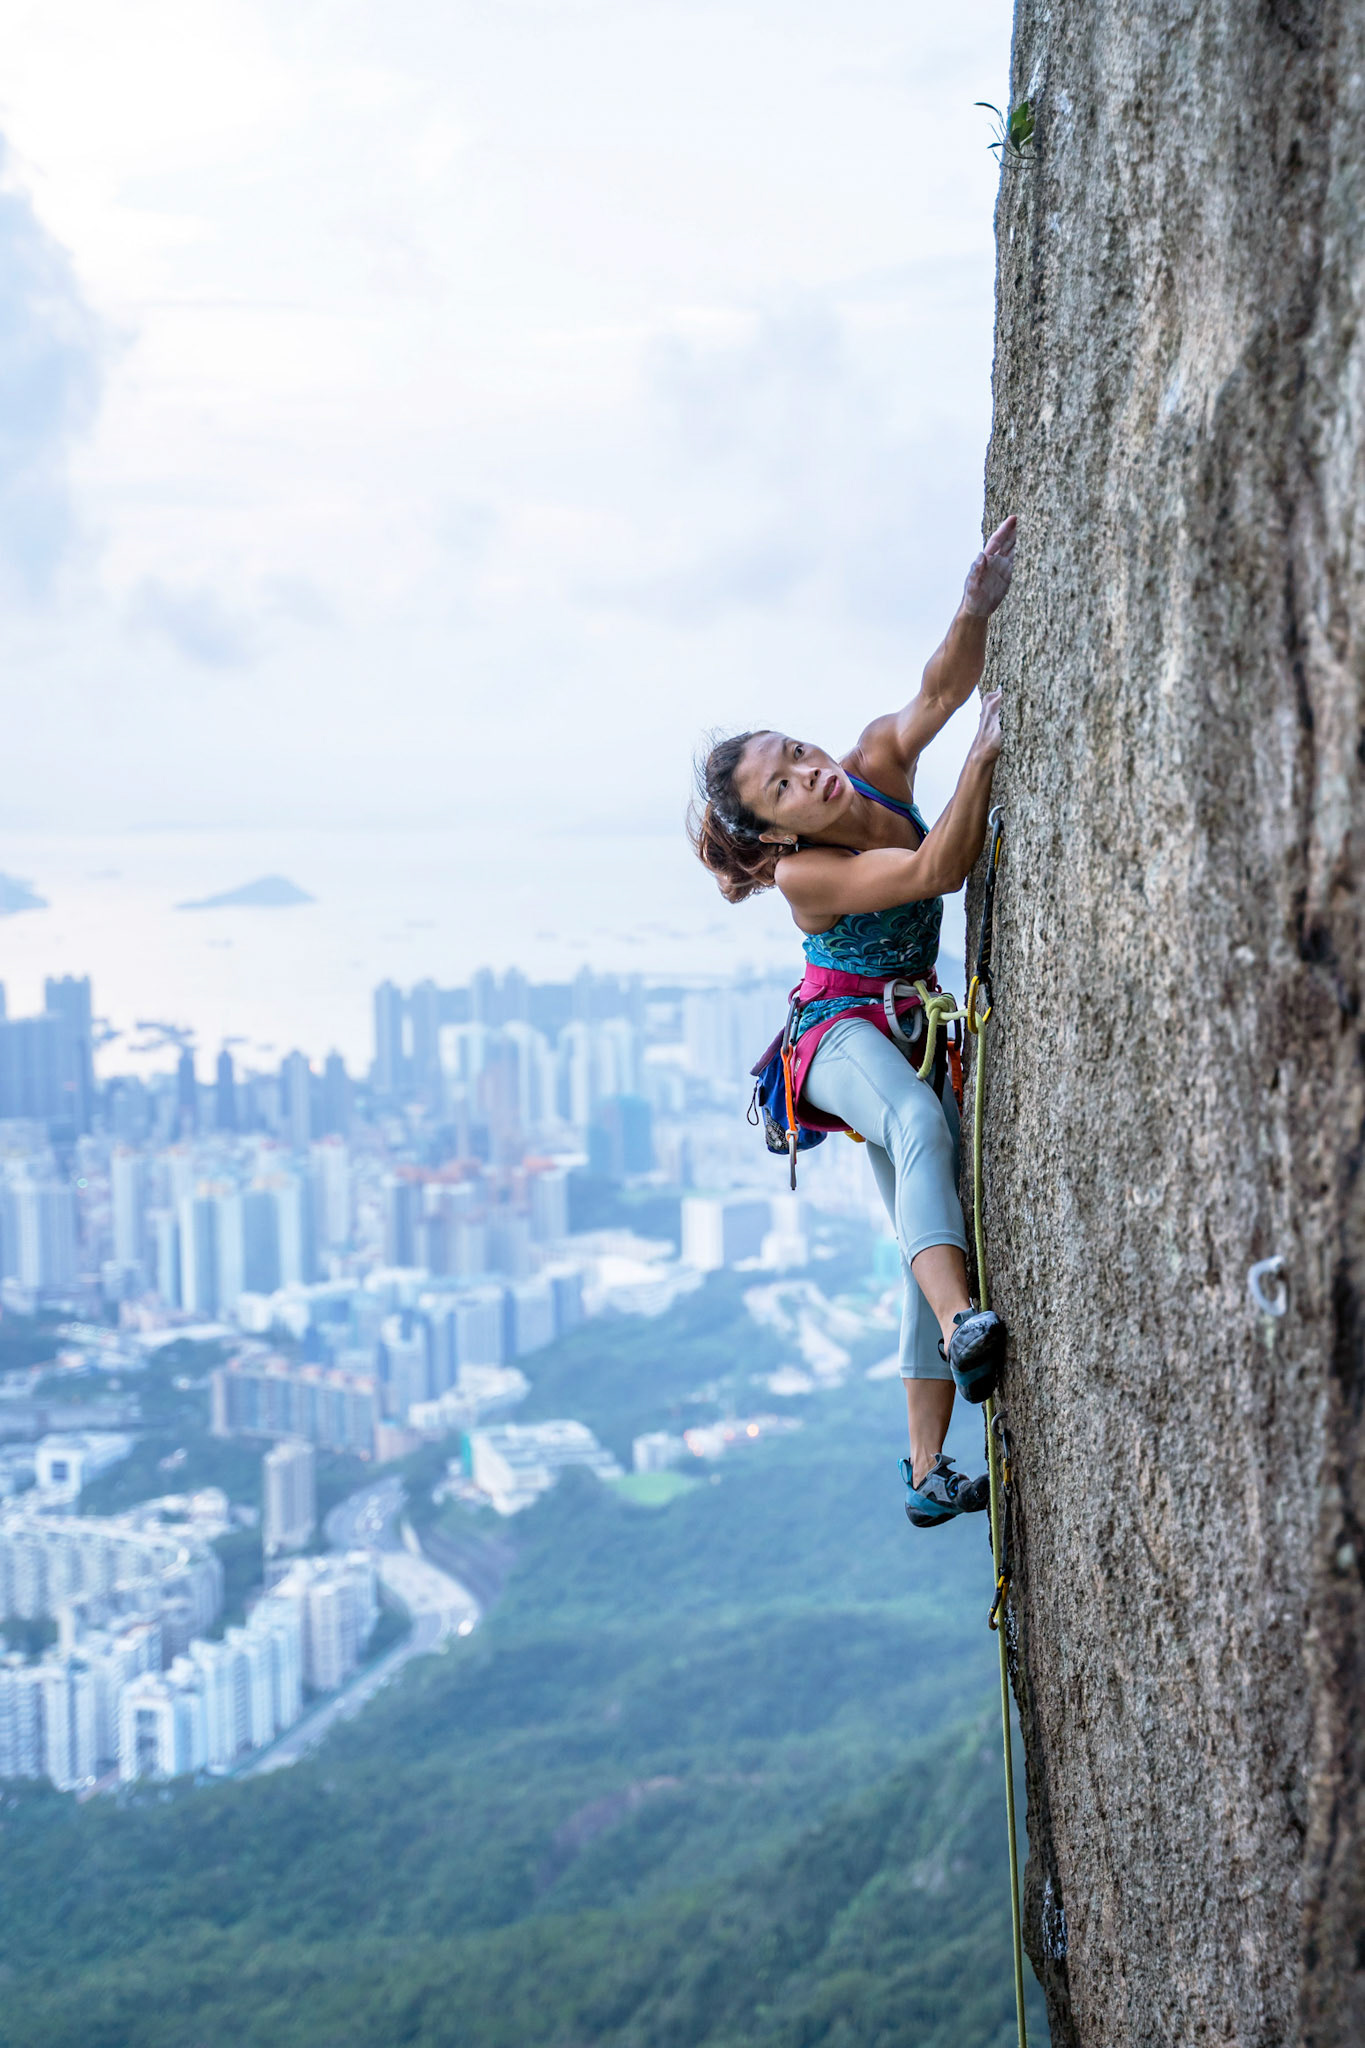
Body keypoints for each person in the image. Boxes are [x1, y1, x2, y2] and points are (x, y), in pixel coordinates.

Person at [689, 515, 1016, 1530]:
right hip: (834, 1035)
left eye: (795, 751)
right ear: (774, 829)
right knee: (916, 1124)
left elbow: (937, 691)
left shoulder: (871, 760)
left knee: (930, 1221)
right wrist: (983, 762)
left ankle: (924, 1472)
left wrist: (974, 604)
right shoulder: (806, 875)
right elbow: (935, 869)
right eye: (781, 786)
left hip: (902, 1023)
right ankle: (963, 1325)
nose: (809, 772)